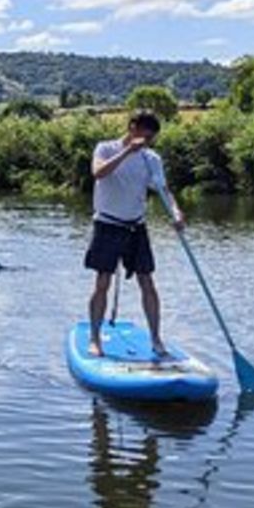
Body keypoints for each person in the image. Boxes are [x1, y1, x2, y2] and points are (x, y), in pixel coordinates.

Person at [84, 110, 183, 358]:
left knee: (147, 282)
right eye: (143, 136)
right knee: (102, 282)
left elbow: (163, 190)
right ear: (132, 128)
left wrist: (175, 212)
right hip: (107, 224)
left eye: (151, 139)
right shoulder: (105, 149)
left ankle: (157, 340)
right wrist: (128, 151)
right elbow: (98, 173)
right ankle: (95, 339)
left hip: (136, 226)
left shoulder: (151, 159)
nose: (146, 142)